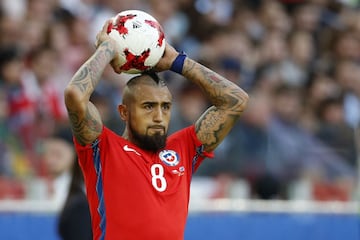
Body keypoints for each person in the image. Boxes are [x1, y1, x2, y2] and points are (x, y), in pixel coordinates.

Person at [64, 19, 249, 240]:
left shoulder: (184, 147)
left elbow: (236, 101)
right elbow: (75, 95)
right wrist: (108, 48)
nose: (159, 117)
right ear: (124, 112)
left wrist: (178, 62)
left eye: (166, 107)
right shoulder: (102, 148)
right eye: (148, 106)